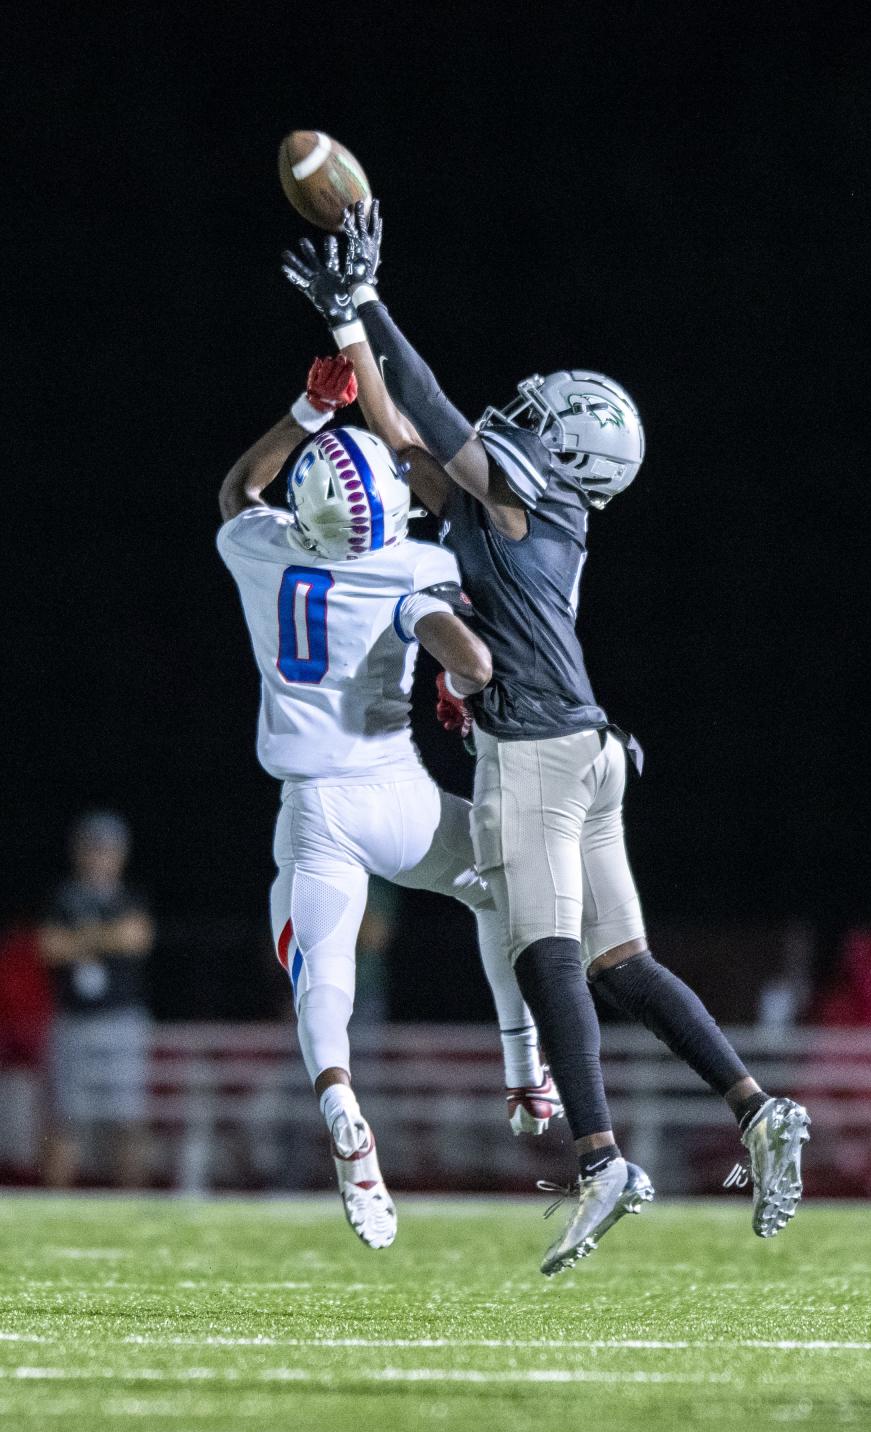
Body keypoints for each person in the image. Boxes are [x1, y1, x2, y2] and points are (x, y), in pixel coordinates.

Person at [282, 204, 811, 1273]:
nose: (519, 420)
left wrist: (368, 302)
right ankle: (757, 1109)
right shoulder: (514, 509)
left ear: (568, 449)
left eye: (540, 417)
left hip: (535, 752)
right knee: (622, 959)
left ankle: (601, 1156)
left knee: (544, 952)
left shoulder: (535, 498)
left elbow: (431, 413)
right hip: (590, 747)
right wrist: (347, 332)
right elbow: (406, 435)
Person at [217, 354, 561, 1250]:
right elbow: (477, 664)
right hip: (393, 792)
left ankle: (342, 1108)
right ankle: (526, 1072)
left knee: (319, 988)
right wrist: (458, 673)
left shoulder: (262, 550)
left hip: (311, 808)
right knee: (496, 887)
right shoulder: (412, 565)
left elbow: (238, 491)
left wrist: (306, 409)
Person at [37, 811, 154, 1188]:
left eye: (107, 850)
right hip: (74, 1021)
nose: (99, 857)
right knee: (65, 1120)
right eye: (92, 849)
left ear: (120, 854)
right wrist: (107, 938)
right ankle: (53, 1211)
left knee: (128, 1120)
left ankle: (134, 1211)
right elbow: (49, 948)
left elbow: (137, 938)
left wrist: (82, 940)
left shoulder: (131, 897)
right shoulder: (62, 897)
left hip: (122, 1020)